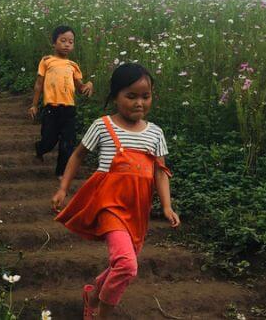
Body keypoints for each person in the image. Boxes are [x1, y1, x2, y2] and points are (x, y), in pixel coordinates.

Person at [51, 63, 180, 319]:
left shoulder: (155, 133)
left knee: (122, 263)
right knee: (127, 266)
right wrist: (63, 188)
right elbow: (78, 155)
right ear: (114, 97)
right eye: (130, 96)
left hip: (138, 210)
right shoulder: (103, 125)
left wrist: (166, 206)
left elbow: (160, 172)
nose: (139, 103)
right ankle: (101, 314)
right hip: (108, 204)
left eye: (146, 96)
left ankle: (94, 293)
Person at [28, 25, 93, 178]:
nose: (67, 44)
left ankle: (61, 172)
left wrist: (89, 85)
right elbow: (39, 84)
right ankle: (40, 149)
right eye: (63, 40)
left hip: (69, 110)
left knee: (68, 144)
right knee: (49, 141)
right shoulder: (46, 61)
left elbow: (80, 88)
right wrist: (34, 105)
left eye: (71, 42)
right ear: (54, 43)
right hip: (51, 109)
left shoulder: (73, 66)